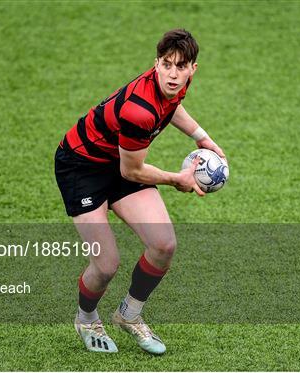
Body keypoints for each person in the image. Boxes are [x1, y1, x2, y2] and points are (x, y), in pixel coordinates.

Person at [54, 29, 226, 354]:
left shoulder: (176, 84)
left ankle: (128, 314)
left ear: (193, 68)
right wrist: (178, 179)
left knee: (163, 245)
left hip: (119, 158)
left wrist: (201, 136)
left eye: (181, 66)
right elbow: (131, 171)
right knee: (106, 265)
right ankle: (86, 317)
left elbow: (172, 107)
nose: (173, 74)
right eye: (166, 65)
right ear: (156, 63)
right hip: (81, 166)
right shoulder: (139, 110)